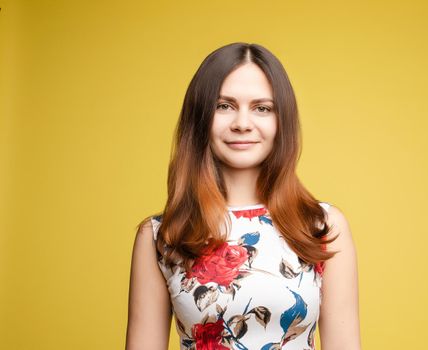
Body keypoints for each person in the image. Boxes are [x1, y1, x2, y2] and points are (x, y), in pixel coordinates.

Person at [125, 42, 361, 350]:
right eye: (224, 106)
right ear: (200, 118)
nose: (242, 123)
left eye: (262, 108)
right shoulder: (162, 236)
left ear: (281, 122)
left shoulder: (323, 226)